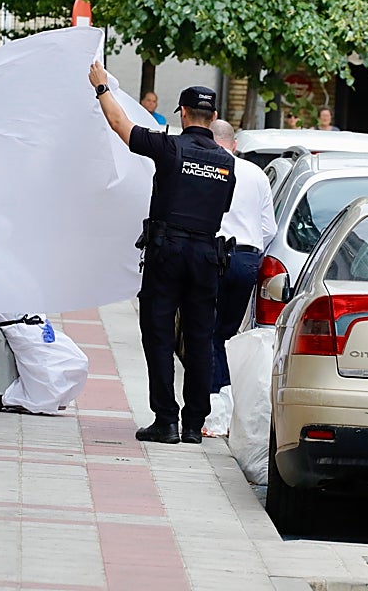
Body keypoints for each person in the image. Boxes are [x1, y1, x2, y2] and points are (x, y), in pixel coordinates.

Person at [89, 64, 235, 444]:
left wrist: (102, 85)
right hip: (206, 255)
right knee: (200, 338)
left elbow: (121, 126)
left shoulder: (170, 146)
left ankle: (166, 420)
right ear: (214, 117)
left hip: (167, 252)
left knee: (158, 332)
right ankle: (193, 426)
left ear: (183, 114)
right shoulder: (227, 162)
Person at [209, 121, 276, 392]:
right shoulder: (257, 174)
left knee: (207, 332)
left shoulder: (207, 169)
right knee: (228, 333)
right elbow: (269, 228)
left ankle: (213, 401)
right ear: (234, 145)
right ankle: (227, 396)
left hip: (213, 255)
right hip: (246, 259)